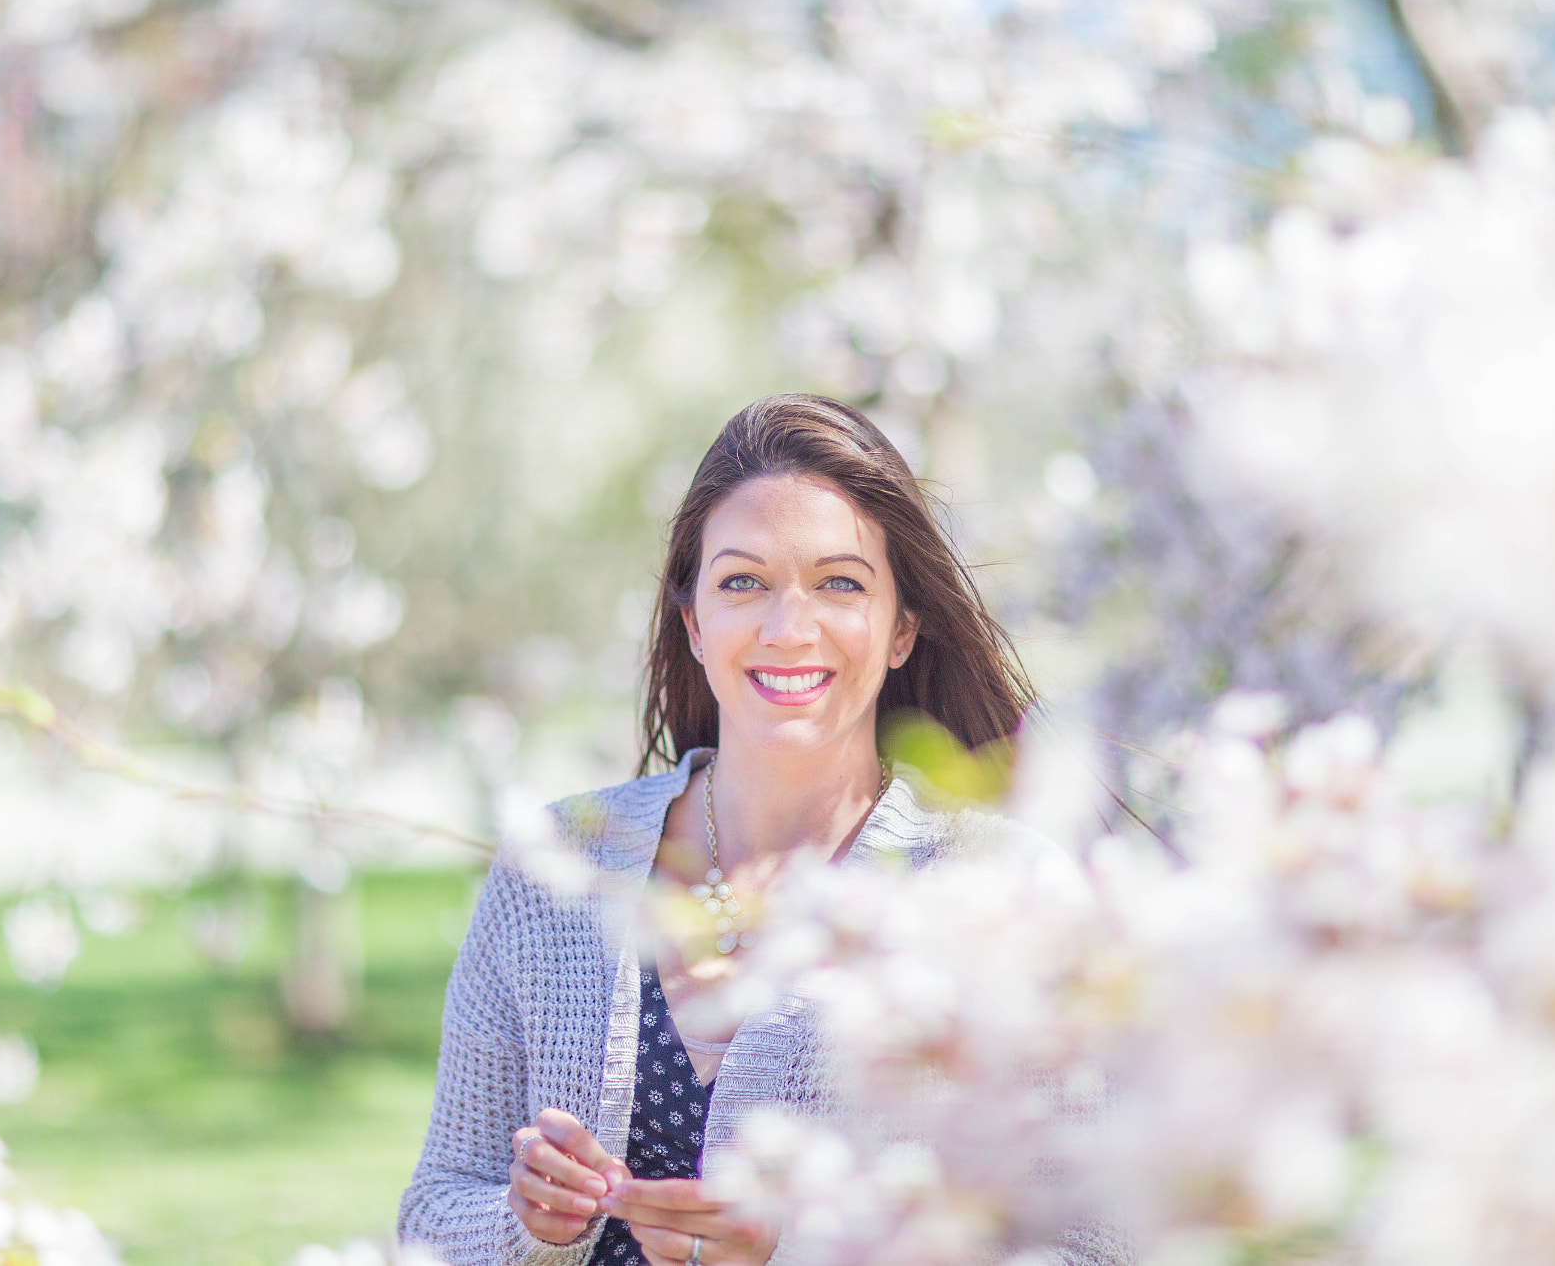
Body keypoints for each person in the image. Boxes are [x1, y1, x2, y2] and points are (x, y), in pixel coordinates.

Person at [398, 393, 1083, 1266]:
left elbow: (1096, 1247)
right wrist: (524, 1223)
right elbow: (432, 1213)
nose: (788, 627)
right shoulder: (555, 869)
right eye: (742, 582)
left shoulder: (1005, 892)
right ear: (693, 622)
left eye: (840, 582)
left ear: (903, 627)